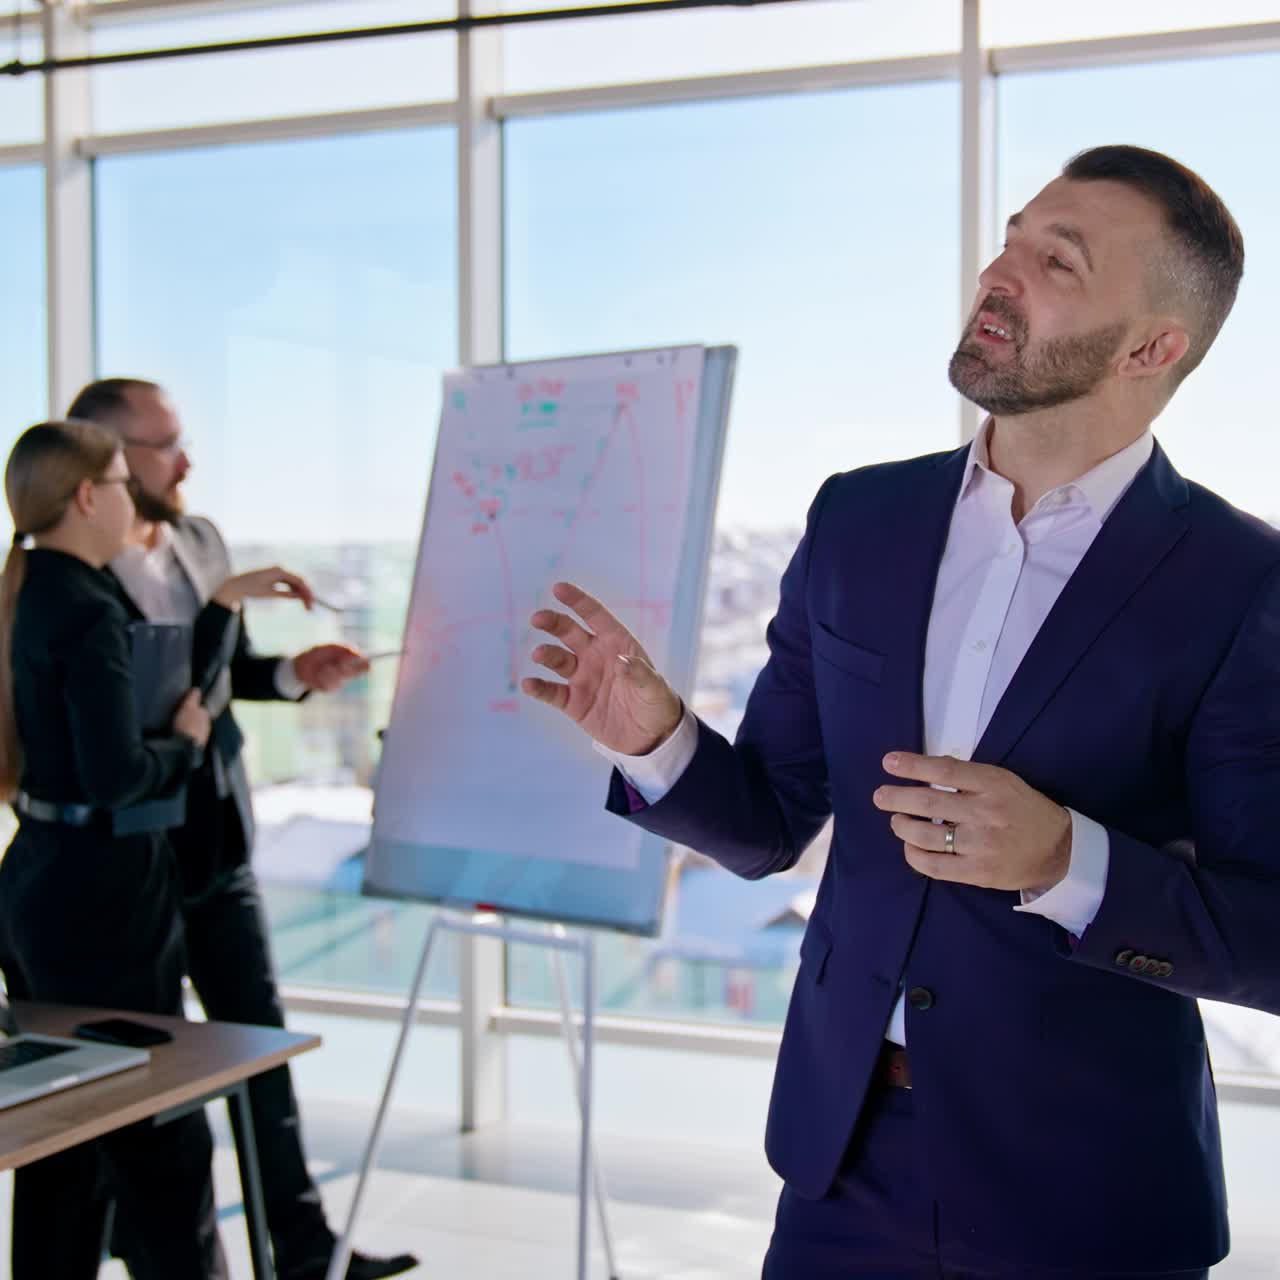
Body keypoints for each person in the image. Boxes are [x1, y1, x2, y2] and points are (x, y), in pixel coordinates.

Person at [524, 144, 1280, 1277]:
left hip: (1087, 1184)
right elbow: (774, 821)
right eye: (1011, 237)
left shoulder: (1240, 582)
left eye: (1054, 261)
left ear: (1150, 346)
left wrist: (1064, 858)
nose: (998, 271)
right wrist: (657, 741)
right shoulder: (856, 519)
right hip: (841, 1160)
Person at [66, 378, 419, 1280]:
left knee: (259, 1046)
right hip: (131, 848)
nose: (187, 463)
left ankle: (304, 1250)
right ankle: (148, 1246)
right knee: (144, 1086)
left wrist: (296, 673)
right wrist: (221, 614)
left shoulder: (200, 541)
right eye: (164, 445)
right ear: (103, 457)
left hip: (218, 838)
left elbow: (221, 679)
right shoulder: (81, 561)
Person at [0, 420, 226, 1279]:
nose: (137, 502)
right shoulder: (89, 607)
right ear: (89, 497)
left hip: (41, 882)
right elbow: (117, 774)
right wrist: (190, 740)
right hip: (103, 899)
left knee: (65, 1150)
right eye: (125, 486)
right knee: (155, 1139)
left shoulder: (33, 591)